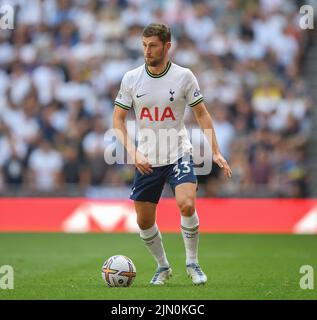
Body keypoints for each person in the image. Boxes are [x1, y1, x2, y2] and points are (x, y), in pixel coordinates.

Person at [113, 23, 232, 285]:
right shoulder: (131, 79)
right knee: (144, 221)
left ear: (167, 46)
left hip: (179, 152)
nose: (147, 51)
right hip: (147, 158)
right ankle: (163, 266)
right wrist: (133, 153)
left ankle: (192, 262)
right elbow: (118, 122)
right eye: (144, 45)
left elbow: (202, 113)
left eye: (153, 45)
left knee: (187, 203)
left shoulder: (184, 76)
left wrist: (215, 151)